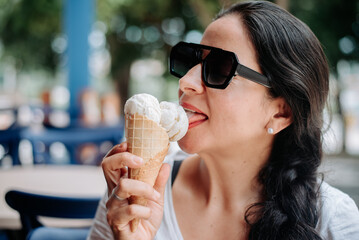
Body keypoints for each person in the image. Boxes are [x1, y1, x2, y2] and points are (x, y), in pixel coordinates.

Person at [88, 1, 359, 239]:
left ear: (281, 112)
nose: (185, 82)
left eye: (218, 68)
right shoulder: (135, 192)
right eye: (188, 61)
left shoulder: (332, 222)